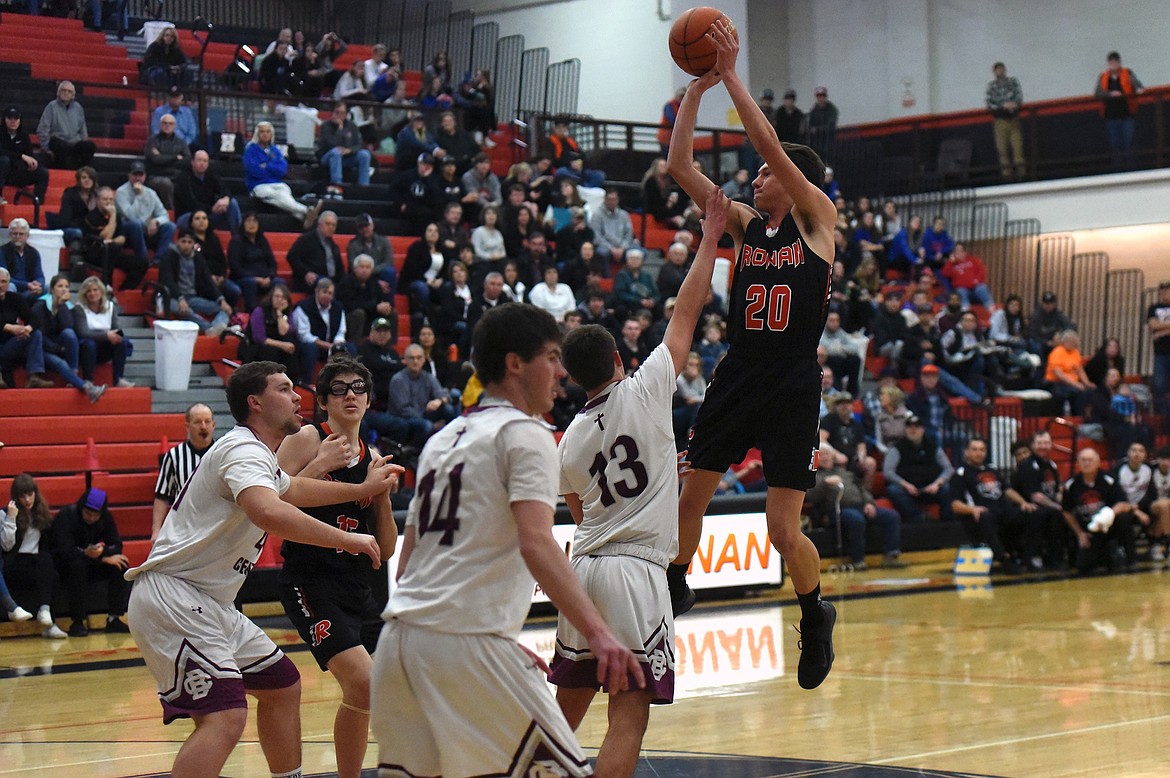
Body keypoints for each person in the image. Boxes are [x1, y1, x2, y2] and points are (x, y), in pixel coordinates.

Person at [369, 302, 641, 777]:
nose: (561, 373)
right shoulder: (528, 434)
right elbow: (536, 543)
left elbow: (410, 560)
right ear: (515, 364)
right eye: (552, 357)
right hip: (462, 642)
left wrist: (485, 631)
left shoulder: (443, 439)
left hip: (399, 644)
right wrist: (599, 634)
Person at [664, 21, 837, 690]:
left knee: (779, 530)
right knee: (690, 498)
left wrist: (733, 75)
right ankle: (675, 586)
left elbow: (769, 142)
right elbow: (681, 167)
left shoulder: (817, 218)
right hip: (740, 370)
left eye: (767, 172)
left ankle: (812, 611)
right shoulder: (743, 225)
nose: (757, 175)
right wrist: (697, 90)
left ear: (793, 180)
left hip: (793, 379)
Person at [125, 360, 401, 778]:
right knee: (225, 717)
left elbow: (294, 489)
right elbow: (270, 510)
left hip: (214, 602)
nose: (296, 398)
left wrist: (366, 491)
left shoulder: (261, 458)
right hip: (176, 595)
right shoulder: (242, 448)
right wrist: (346, 537)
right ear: (255, 402)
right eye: (285, 389)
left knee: (283, 687)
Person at [548, 187, 726, 774]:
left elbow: (582, 510)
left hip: (586, 568)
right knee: (629, 712)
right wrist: (709, 239)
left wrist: (651, 479)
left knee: (563, 709)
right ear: (621, 359)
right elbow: (686, 310)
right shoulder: (646, 387)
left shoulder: (568, 438)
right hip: (635, 571)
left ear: (573, 378)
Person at [276, 357, 398, 778]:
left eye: (359, 387)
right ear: (323, 401)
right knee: (364, 682)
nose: (351, 394)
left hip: (355, 584)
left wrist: (379, 496)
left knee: (365, 691)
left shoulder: (373, 456)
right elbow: (273, 501)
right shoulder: (308, 437)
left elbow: (385, 548)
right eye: (340, 388)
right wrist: (319, 467)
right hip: (309, 580)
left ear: (368, 400)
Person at [950, 437, 1039, 574]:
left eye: (982, 450)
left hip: (1002, 511)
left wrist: (1023, 503)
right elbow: (955, 504)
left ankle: (1026, 557)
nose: (979, 453)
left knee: (1032, 514)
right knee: (986, 517)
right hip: (981, 516)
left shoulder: (992, 469)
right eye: (974, 450)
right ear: (966, 452)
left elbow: (1007, 490)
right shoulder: (960, 473)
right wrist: (972, 509)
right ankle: (1004, 559)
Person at [51, 487, 131, 637]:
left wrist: (102, 553)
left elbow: (117, 544)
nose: (92, 518)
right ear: (81, 508)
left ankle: (114, 618)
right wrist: (96, 556)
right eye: (88, 513)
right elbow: (64, 551)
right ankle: (78, 621)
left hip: (91, 562)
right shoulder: (66, 516)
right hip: (66, 565)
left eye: (96, 515)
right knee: (77, 566)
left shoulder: (106, 517)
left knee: (120, 565)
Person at [809, 452, 904, 570]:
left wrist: (869, 503)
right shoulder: (814, 475)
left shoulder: (845, 472)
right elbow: (810, 496)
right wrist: (824, 484)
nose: (825, 458)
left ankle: (891, 555)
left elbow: (862, 488)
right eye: (821, 456)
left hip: (860, 506)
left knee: (891, 516)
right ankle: (857, 560)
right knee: (856, 519)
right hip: (837, 510)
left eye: (827, 455)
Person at [3, 474, 67, 638]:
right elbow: (6, 546)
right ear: (16, 497)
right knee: (44, 560)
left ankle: (47, 618)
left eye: (30, 494)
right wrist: (11, 518)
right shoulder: (5, 513)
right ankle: (45, 613)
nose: (27, 499)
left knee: (53, 573)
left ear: (35, 494)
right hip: (13, 563)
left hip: (35, 563)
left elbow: (48, 545)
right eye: (22, 496)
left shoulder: (42, 514)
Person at [31, 273, 106, 402]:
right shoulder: (40, 306)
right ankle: (88, 389)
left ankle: (74, 373)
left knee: (69, 333)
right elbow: (39, 335)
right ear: (53, 289)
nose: (64, 289)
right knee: (61, 363)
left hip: (63, 346)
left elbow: (69, 327)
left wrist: (61, 305)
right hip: (43, 349)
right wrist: (58, 348)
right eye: (60, 286)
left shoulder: (68, 307)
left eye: (67, 287)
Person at [1062, 447, 1135, 574]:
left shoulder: (1108, 480)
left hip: (1108, 526)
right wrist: (1080, 534)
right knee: (1083, 566)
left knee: (1124, 518)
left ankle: (1129, 558)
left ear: (1098, 463)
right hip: (1089, 530)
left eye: (1090, 460)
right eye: (1083, 460)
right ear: (1078, 463)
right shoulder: (1071, 485)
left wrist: (1107, 516)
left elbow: (1123, 503)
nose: (1087, 463)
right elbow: (1066, 511)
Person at [152, 403, 216, 540]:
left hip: (217, 527)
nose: (203, 426)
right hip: (185, 529)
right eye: (198, 422)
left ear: (213, 425)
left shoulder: (224, 453)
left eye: (207, 421)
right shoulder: (174, 456)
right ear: (187, 426)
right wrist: (156, 530)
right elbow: (162, 495)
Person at [243, 121, 321, 229]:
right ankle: (305, 211)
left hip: (276, 183)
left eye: (268, 131)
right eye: (262, 132)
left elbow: (282, 170)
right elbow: (253, 170)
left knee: (284, 193)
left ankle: (302, 217)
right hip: (257, 185)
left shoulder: (275, 150)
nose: (265, 134)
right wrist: (272, 170)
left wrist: (266, 166)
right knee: (278, 196)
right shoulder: (250, 150)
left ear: (271, 134)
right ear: (257, 134)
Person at [1010, 430, 1068, 569]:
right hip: (1026, 508)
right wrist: (1058, 507)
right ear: (1033, 445)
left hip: (1047, 506)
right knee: (1053, 514)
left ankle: (1060, 556)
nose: (1043, 446)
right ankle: (1034, 556)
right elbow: (1036, 497)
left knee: (1066, 512)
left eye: (1046, 443)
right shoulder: (1027, 466)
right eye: (1040, 443)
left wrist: (1061, 500)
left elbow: (1057, 487)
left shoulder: (1050, 464)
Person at [157, 230, 233, 335]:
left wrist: (221, 300)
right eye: (183, 242)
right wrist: (180, 298)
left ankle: (216, 327)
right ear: (177, 242)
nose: (186, 245)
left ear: (193, 244)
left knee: (224, 309)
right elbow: (168, 281)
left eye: (189, 242)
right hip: (171, 297)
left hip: (192, 297)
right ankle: (210, 328)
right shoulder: (169, 256)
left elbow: (208, 281)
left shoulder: (198, 258)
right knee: (185, 310)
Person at [882, 414, 954, 523]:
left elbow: (948, 469)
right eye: (909, 427)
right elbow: (888, 471)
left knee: (946, 488)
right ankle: (918, 517)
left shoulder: (933, 446)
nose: (913, 429)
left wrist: (937, 484)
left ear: (923, 429)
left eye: (916, 427)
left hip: (931, 488)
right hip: (908, 489)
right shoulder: (897, 448)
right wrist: (905, 484)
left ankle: (947, 522)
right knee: (893, 490)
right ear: (905, 429)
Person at [73, 276, 133, 388]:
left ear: (101, 291)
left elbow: (117, 328)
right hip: (86, 349)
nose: (92, 293)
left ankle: (118, 379)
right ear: (85, 294)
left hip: (105, 347)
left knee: (122, 340)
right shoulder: (79, 308)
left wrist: (117, 336)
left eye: (95, 290)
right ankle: (88, 381)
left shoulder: (110, 306)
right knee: (89, 343)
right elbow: (83, 333)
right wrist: (107, 335)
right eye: (89, 291)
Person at [0, 267, 54, 389]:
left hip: (9, 346)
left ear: (8, 284)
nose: (0, 285)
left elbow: (34, 319)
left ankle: (34, 376)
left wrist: (27, 328)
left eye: (4, 282)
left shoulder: (14, 298)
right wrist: (9, 327)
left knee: (36, 333)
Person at [116, 160, 177, 263]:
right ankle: (143, 259)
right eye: (135, 174)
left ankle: (158, 260)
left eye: (141, 174)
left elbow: (164, 215)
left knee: (170, 226)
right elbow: (131, 216)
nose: (138, 178)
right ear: (129, 175)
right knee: (136, 224)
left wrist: (156, 221)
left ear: (145, 176)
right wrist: (139, 195)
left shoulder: (151, 193)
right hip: (127, 232)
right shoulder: (121, 192)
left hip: (147, 230)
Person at [293, 277, 351, 385]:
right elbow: (303, 335)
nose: (327, 296)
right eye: (324, 292)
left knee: (350, 348)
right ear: (317, 291)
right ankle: (307, 383)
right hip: (309, 346)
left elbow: (341, 331)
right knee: (310, 347)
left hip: (330, 345)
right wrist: (325, 345)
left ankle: (347, 382)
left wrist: (337, 343)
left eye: (330, 293)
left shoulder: (338, 307)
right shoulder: (303, 307)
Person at [1094, 52, 1144, 170]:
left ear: (1119, 62)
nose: (1114, 64)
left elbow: (1138, 86)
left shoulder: (1127, 73)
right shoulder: (1103, 77)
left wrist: (1137, 91)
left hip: (1127, 114)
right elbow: (1097, 93)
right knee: (1115, 144)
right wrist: (1110, 94)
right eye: (1111, 62)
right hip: (1111, 116)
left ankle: (1131, 168)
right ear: (1108, 64)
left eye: (1116, 62)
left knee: (1129, 142)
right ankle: (1118, 169)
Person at [175, 150, 241, 232]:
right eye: (199, 160)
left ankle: (238, 237)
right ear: (192, 162)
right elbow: (191, 204)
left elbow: (224, 189)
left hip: (208, 214)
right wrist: (212, 209)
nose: (202, 163)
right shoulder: (183, 179)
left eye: (205, 161)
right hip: (188, 216)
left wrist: (226, 198)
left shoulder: (211, 175)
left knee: (232, 203)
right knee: (198, 217)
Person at [36, 80, 95, 169]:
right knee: (60, 147)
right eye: (64, 90)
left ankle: (83, 172)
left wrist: (84, 141)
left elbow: (83, 130)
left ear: (73, 95)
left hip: (75, 143)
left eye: (69, 91)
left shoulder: (78, 108)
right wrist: (45, 148)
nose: (66, 93)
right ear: (58, 92)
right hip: (58, 141)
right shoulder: (51, 106)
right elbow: (43, 129)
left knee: (89, 146)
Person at [228, 212, 279, 312]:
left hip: (265, 278)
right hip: (244, 279)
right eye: (248, 221)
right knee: (250, 283)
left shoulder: (262, 240)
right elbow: (235, 267)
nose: (252, 224)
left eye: (254, 221)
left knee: (280, 283)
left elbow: (272, 262)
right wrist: (256, 279)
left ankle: (276, 313)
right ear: (243, 224)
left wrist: (270, 276)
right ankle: (251, 315)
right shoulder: (236, 241)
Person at [245, 282, 300, 374]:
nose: (279, 300)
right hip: (258, 347)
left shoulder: (286, 312)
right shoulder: (259, 311)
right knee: (272, 351)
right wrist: (282, 345)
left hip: (277, 344)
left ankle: (292, 381)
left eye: (282, 297)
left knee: (293, 347)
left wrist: (279, 313)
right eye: (277, 296)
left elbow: (284, 332)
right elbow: (260, 338)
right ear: (271, 297)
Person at [317, 99, 371, 189]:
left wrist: (349, 150)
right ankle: (337, 185)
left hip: (347, 156)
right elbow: (331, 144)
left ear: (346, 114)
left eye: (342, 113)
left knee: (365, 154)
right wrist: (340, 130)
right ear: (333, 112)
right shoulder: (325, 126)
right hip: (328, 156)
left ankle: (364, 186)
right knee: (336, 152)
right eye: (337, 112)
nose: (339, 115)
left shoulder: (352, 126)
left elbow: (359, 144)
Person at [286, 210, 345, 293]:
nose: (331, 227)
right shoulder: (306, 239)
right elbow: (291, 256)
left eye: (333, 225)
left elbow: (340, 269)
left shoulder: (333, 246)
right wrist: (305, 273)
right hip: (311, 281)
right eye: (328, 224)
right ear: (319, 224)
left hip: (331, 280)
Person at [0, 107, 49, 206]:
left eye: (16, 118)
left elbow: (29, 155)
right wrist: (21, 156)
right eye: (10, 118)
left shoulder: (24, 135)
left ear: (20, 120)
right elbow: (2, 151)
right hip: (4, 171)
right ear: (4, 120)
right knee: (4, 160)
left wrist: (32, 163)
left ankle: (38, 204)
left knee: (43, 172)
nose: (13, 121)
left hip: (19, 172)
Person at [986, 62, 1025, 180]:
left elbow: (1019, 97)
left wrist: (1014, 104)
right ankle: (1007, 178)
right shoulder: (991, 86)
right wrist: (1003, 106)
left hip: (1013, 119)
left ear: (1005, 70)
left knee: (1018, 150)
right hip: (1000, 121)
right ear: (994, 72)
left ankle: (1022, 177)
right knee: (1002, 151)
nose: (1000, 71)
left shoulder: (1013, 82)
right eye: (997, 70)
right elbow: (989, 104)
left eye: (1001, 69)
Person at [1045, 329, 1094, 415]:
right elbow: (1059, 374)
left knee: (1091, 391)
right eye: (1069, 341)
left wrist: (1087, 383)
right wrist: (1076, 385)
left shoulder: (1075, 352)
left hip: (1072, 383)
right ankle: (1076, 416)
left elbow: (1080, 370)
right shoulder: (1057, 352)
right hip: (1057, 383)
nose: (1072, 344)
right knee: (1078, 392)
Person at [346, 213, 396, 295]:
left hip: (379, 274)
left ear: (372, 225)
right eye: (361, 227)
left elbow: (389, 262)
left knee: (389, 272)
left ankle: (390, 305)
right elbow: (353, 267)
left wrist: (371, 270)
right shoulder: (352, 245)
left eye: (367, 226)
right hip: (362, 277)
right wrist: (375, 282)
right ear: (358, 229)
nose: (364, 229)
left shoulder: (384, 241)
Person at [590, 189, 637, 270]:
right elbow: (596, 236)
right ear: (604, 200)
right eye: (609, 199)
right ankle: (607, 278)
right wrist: (612, 249)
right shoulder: (597, 215)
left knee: (639, 252)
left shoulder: (624, 214)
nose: (611, 202)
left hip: (622, 245)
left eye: (614, 199)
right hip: (605, 246)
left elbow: (629, 234)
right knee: (602, 253)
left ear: (618, 200)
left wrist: (622, 248)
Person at [1, 218, 43, 303]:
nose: (18, 237)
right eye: (14, 234)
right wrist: (27, 285)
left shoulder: (34, 253)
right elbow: (3, 278)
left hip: (30, 289)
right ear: (9, 235)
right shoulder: (2, 251)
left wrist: (38, 284)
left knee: (49, 287)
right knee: (10, 287)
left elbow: (40, 275)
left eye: (21, 234)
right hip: (15, 288)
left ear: (27, 236)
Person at [940, 244, 994, 308]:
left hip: (975, 287)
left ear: (965, 252)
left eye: (960, 251)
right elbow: (945, 273)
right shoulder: (951, 264)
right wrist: (950, 262)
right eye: (956, 251)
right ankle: (966, 312)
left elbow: (982, 271)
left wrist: (977, 280)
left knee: (982, 288)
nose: (958, 253)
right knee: (961, 292)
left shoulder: (973, 260)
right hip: (962, 288)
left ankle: (992, 310)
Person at [1147, 281, 1170, 418]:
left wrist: (1162, 333)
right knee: (1159, 385)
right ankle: (1161, 416)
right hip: (1160, 353)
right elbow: (1153, 325)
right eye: (1162, 291)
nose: (1164, 293)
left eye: (1167, 290)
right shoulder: (1154, 308)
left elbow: (1158, 328)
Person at [806, 86, 838, 156]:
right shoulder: (814, 110)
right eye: (818, 96)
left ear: (826, 97)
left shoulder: (831, 109)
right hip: (816, 143)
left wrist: (817, 129)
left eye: (822, 96)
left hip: (828, 143)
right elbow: (809, 124)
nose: (820, 98)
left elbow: (831, 126)